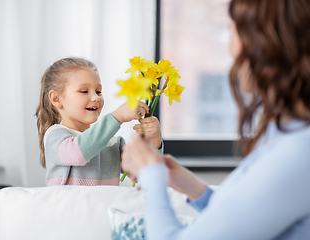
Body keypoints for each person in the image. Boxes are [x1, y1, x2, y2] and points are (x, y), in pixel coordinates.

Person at [121, 0, 310, 239]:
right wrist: (194, 188)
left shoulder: (297, 153)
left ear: (266, 44)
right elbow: (242, 223)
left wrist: (150, 175)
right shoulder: (287, 134)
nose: (231, 48)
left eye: (233, 33)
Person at [35, 57, 163, 186]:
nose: (95, 97)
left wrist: (154, 141)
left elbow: (145, 173)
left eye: (98, 91)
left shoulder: (113, 143)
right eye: (84, 91)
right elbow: (78, 153)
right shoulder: (55, 136)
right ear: (56, 98)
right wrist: (117, 117)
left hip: (103, 206)